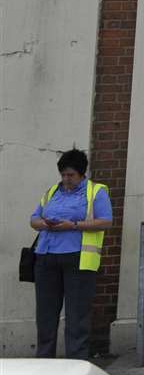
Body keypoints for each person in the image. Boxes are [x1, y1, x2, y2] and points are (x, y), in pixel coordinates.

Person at [29, 148, 114, 359]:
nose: (66, 179)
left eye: (71, 175)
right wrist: (45, 224)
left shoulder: (96, 192)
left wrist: (73, 225)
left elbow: (106, 221)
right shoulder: (52, 192)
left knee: (77, 318)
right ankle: (44, 364)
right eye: (63, 174)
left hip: (78, 258)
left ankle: (76, 365)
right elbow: (34, 219)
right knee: (46, 316)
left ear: (82, 173)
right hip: (46, 257)